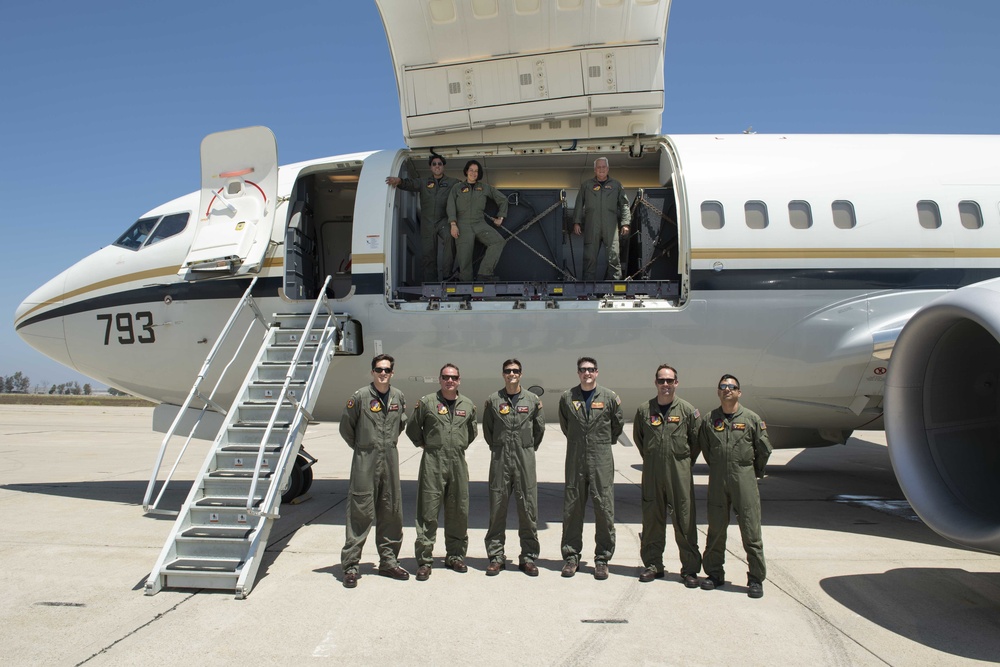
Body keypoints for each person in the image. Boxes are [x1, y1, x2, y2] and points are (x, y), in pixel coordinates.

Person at [698, 374, 772, 598]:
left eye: (732, 387)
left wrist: (751, 471)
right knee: (716, 529)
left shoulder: (751, 419)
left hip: (744, 478)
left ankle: (756, 579)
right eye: (723, 386)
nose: (727, 390)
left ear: (739, 392)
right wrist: (720, 466)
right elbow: (706, 448)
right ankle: (714, 574)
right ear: (718, 392)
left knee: (750, 531)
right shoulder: (710, 419)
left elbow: (764, 449)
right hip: (718, 479)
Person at [339, 354, 409, 588]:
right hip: (365, 460)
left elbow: (400, 425)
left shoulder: (398, 396)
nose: (383, 373)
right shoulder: (359, 397)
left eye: (387, 370)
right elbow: (347, 428)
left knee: (391, 511)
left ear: (392, 373)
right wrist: (363, 448)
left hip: (389, 459)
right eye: (379, 369)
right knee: (360, 511)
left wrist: (384, 446)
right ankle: (351, 566)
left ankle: (388, 562)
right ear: (372, 372)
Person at [406, 363, 478, 580]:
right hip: (433, 461)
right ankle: (425, 561)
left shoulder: (468, 404)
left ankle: (455, 555)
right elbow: (412, 428)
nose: (450, 381)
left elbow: (471, 432)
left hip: (457, 462)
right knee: (427, 511)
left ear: (459, 380)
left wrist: (457, 445)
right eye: (446, 377)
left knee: (458, 510)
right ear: (440, 379)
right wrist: (427, 445)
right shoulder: (427, 403)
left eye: (454, 377)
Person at [632, 364, 702, 587]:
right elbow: (639, 438)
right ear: (655, 383)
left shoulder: (688, 411)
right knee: (652, 519)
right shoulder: (645, 410)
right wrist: (654, 459)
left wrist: (681, 463)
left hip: (679, 473)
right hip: (653, 473)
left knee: (685, 519)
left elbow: (696, 441)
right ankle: (653, 565)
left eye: (669, 381)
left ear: (676, 383)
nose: (665, 385)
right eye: (661, 380)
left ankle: (690, 569)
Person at [558, 357, 624, 580]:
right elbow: (566, 426)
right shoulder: (568, 397)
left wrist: (599, 443)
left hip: (601, 458)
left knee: (604, 509)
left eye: (591, 370)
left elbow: (617, 426)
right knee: (572, 509)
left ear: (597, 372)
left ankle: (602, 559)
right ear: (578, 373)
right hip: (576, 458)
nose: (587, 373)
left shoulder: (609, 398)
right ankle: (571, 557)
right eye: (583, 370)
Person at [482, 359, 546, 576]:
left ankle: (528, 558)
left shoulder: (532, 400)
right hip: (500, 459)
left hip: (524, 459)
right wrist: (502, 448)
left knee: (528, 509)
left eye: (515, 371)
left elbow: (539, 430)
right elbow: (489, 432)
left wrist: (525, 448)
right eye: (508, 371)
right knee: (497, 509)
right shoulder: (493, 400)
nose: (512, 374)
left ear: (521, 373)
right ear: (503, 374)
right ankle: (496, 557)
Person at [386, 153, 457, 282]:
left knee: (450, 238)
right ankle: (431, 282)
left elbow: (464, 189)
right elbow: (410, 183)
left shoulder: (452, 182)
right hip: (428, 222)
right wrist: (399, 181)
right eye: (434, 164)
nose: (437, 166)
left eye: (439, 164)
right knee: (428, 254)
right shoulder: (424, 182)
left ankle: (447, 275)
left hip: (443, 220)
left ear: (443, 167)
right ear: (430, 167)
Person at [446, 159, 509, 282]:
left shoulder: (484, 187)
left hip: (479, 223)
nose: (473, 173)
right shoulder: (457, 188)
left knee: (498, 241)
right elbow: (450, 206)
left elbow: (503, 199)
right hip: (462, 225)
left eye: (476, 171)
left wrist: (500, 217)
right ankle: (467, 290)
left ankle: (484, 274)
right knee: (465, 260)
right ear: (466, 171)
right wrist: (453, 224)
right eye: (471, 170)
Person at [572, 157, 631, 280]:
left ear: (608, 168)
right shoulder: (586, 185)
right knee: (590, 257)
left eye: (604, 167)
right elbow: (579, 204)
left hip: (611, 226)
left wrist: (625, 223)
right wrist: (577, 222)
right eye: (598, 167)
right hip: (592, 226)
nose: (601, 169)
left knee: (614, 256)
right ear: (594, 169)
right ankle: (587, 289)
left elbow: (624, 204)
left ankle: (615, 288)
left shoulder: (616, 185)